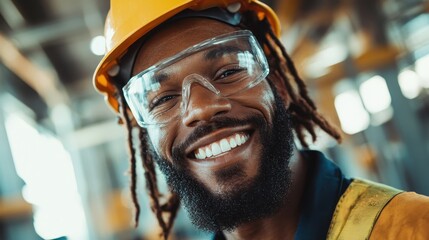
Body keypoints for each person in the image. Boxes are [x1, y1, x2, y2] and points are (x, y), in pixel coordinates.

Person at [93, 0, 429, 239]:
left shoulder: (414, 227)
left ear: (279, 88)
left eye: (228, 71)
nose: (200, 109)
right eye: (163, 99)